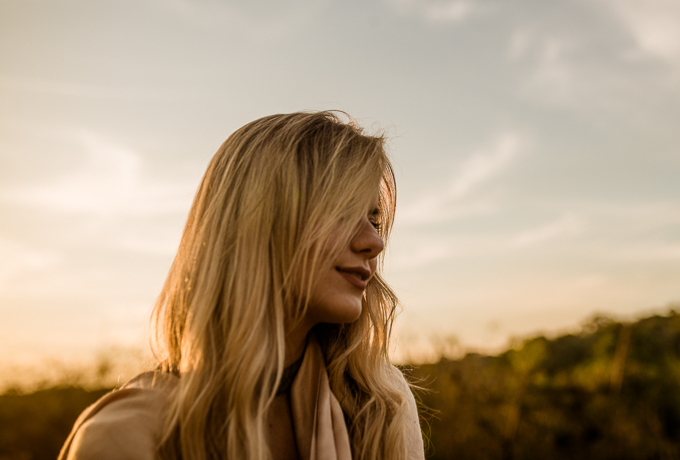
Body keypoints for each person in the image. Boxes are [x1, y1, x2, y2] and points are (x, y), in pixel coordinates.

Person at [59, 112, 425, 460]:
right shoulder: (126, 439)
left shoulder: (380, 408)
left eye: (373, 219)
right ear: (259, 221)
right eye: (343, 211)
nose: (374, 242)